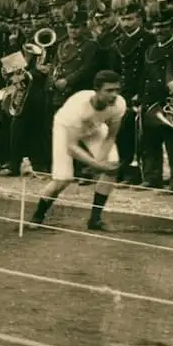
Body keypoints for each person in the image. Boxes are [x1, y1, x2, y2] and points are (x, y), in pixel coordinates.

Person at [29, 70, 126, 231]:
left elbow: (110, 136)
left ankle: (94, 220)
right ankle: (38, 215)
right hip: (66, 128)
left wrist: (100, 163)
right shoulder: (78, 106)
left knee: (112, 165)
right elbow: (72, 147)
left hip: (94, 127)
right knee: (63, 178)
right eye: (109, 90)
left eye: (117, 90)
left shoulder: (119, 104)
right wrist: (97, 166)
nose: (114, 95)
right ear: (96, 90)